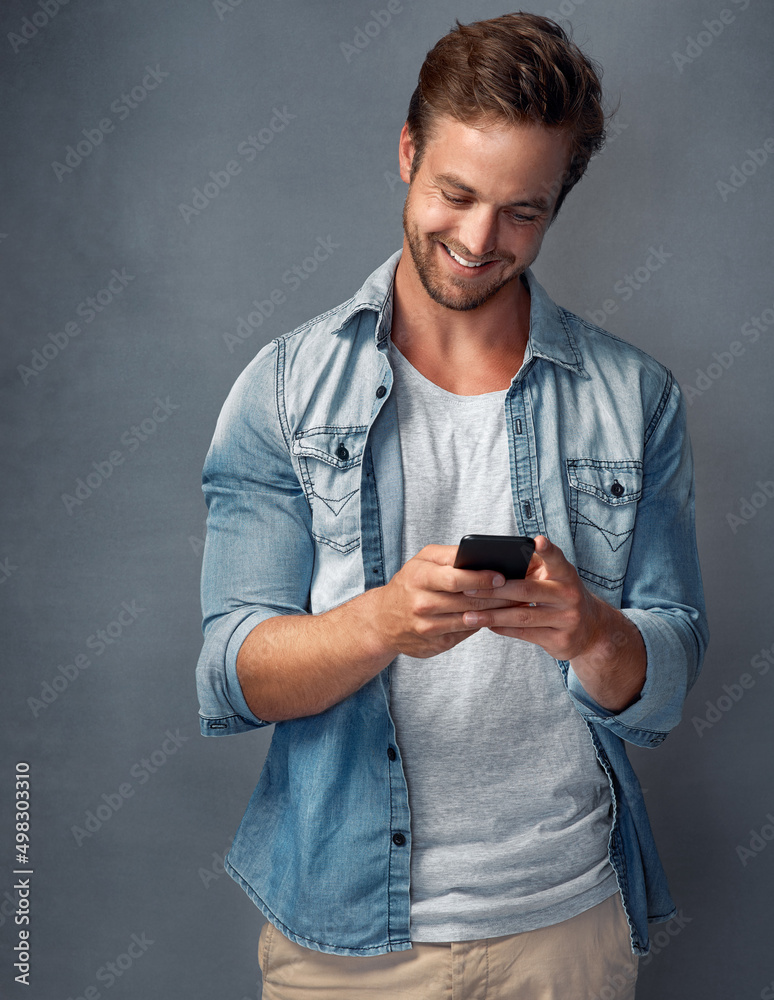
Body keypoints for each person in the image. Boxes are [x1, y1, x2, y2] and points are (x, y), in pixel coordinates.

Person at [196, 12, 708, 998]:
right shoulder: (283, 389)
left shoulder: (637, 396)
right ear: (406, 152)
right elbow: (234, 672)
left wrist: (591, 631)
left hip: (569, 924)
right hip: (347, 942)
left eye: (523, 211)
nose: (479, 240)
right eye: (457, 193)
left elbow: (675, 664)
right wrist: (380, 619)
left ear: (559, 203)